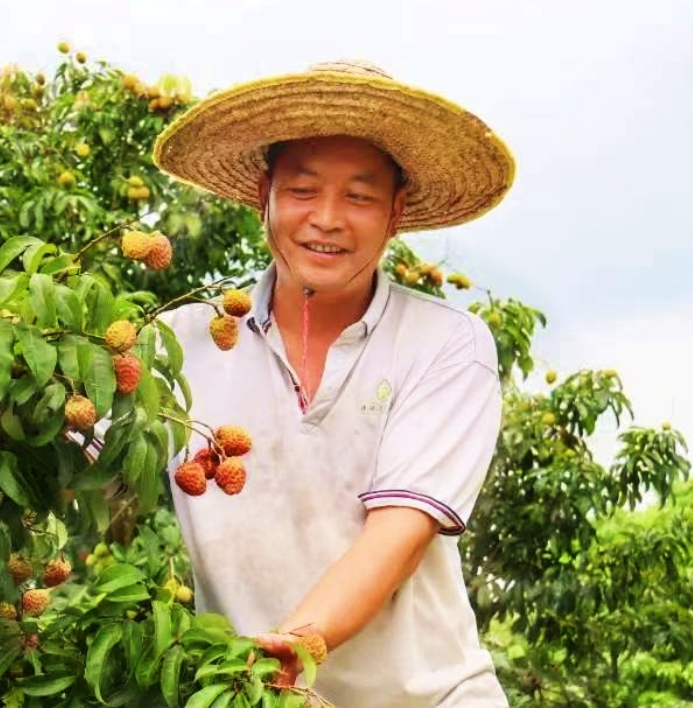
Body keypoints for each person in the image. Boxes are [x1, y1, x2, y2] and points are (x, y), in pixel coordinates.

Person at [146, 59, 515, 707]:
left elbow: (397, 536)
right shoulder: (179, 344)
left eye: (360, 196)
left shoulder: (446, 346)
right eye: (303, 190)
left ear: (397, 211)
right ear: (265, 193)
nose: (327, 218)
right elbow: (65, 464)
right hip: (253, 696)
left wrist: (291, 647)